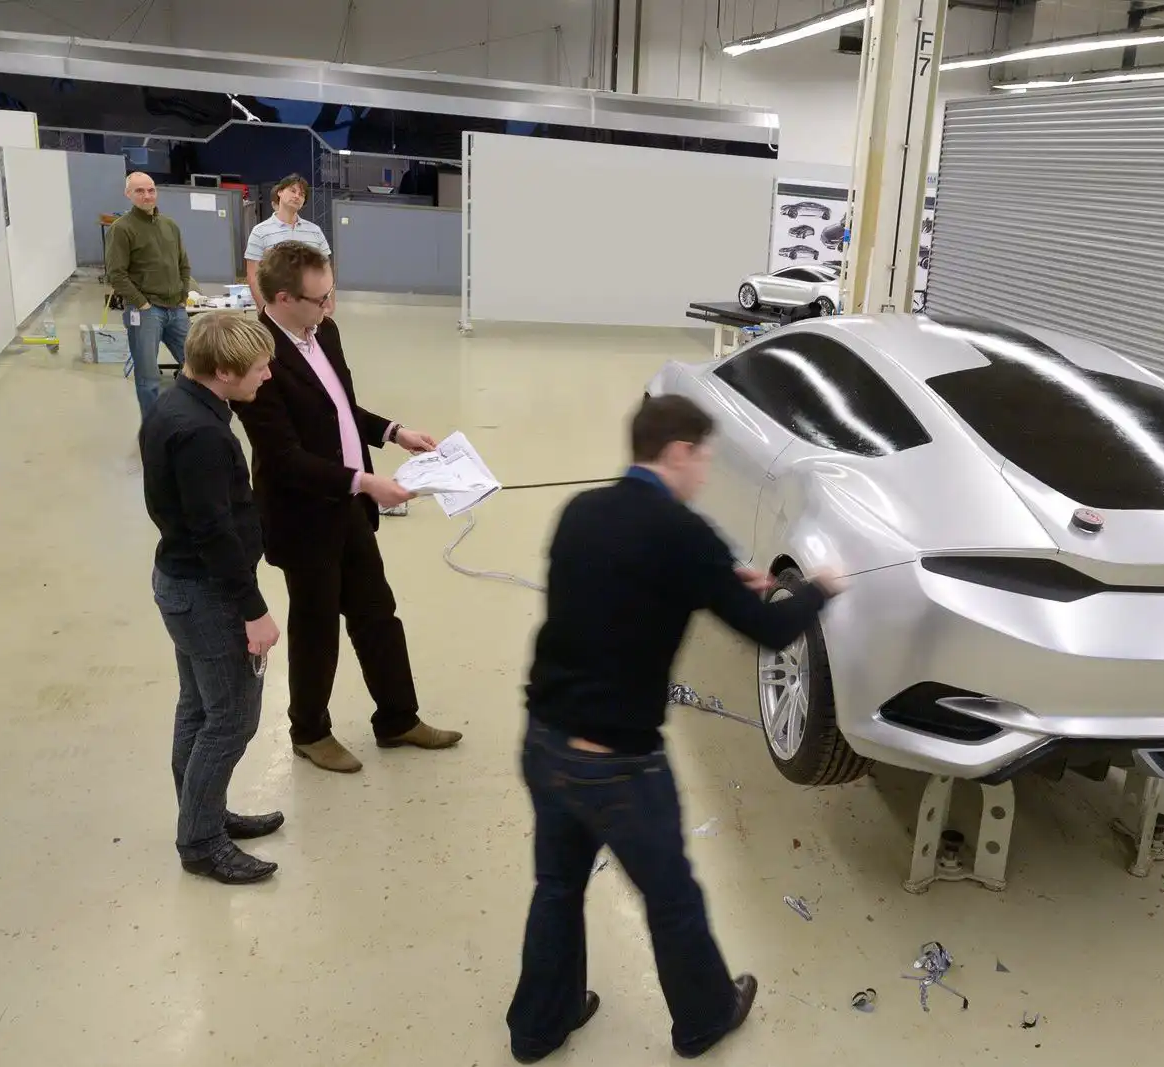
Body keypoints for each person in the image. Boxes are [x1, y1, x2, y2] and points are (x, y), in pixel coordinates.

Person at [507, 394, 844, 1063]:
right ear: (679, 451)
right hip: (619, 767)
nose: (705, 474)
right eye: (704, 459)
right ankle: (705, 1018)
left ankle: (539, 1026)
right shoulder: (685, 535)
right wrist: (819, 588)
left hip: (545, 742)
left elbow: (616, 589)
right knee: (671, 897)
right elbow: (771, 629)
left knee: (557, 886)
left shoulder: (582, 510)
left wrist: (715, 580)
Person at [232, 240, 461, 774]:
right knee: (316, 628)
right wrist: (366, 482)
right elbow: (284, 458)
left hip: (348, 506)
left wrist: (393, 432)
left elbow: (338, 407)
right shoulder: (256, 359)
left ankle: (398, 718)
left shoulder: (324, 332)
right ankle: (309, 731)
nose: (329, 306)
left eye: (330, 293)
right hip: (303, 517)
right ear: (283, 299)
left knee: (377, 613)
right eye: (320, 299)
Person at [139, 310, 284, 886]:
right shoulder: (202, 433)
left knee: (199, 709)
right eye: (259, 368)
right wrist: (254, 610)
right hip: (208, 594)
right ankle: (200, 843)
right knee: (232, 720)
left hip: (181, 582)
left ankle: (202, 814)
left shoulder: (177, 405)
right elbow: (213, 532)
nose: (267, 375)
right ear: (223, 371)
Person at [107, 171, 194, 422]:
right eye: (140, 191)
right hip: (145, 312)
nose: (147, 195)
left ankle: (192, 419)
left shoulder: (170, 225)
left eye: (151, 190)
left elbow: (183, 264)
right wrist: (142, 303)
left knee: (197, 364)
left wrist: (182, 296)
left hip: (176, 309)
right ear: (128, 194)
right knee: (148, 378)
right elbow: (116, 274)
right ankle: (154, 429)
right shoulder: (121, 229)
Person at [243, 174, 332, 314]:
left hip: (309, 308)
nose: (297, 196)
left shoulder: (315, 231)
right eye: (292, 191)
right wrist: (266, 310)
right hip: (275, 306)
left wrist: (329, 303)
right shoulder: (260, 231)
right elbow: (253, 275)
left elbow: (326, 269)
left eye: (302, 194)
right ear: (280, 192)